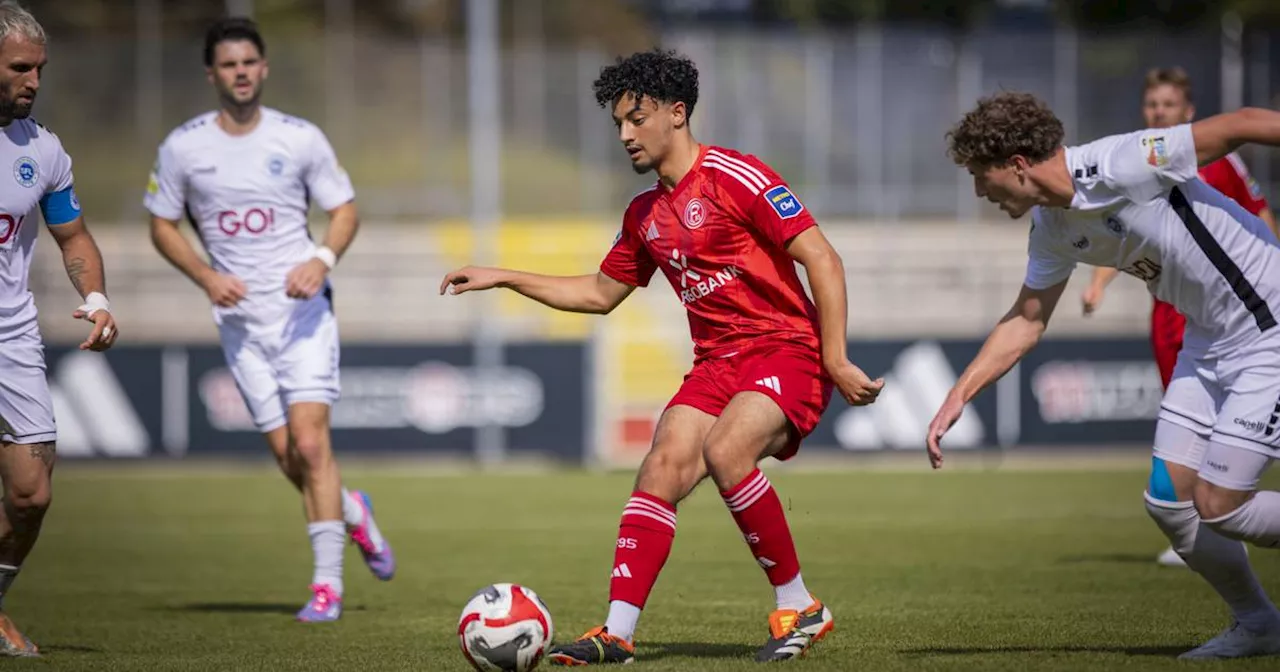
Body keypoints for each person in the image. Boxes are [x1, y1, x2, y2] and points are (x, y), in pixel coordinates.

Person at [440, 49, 883, 664]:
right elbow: (598, 294)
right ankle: (617, 633)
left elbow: (823, 259)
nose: (624, 134)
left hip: (787, 348)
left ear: (677, 114)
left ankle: (801, 607)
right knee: (661, 467)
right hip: (717, 364)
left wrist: (834, 357)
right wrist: (503, 276)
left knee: (725, 450)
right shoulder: (645, 214)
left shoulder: (738, 175)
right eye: (618, 123)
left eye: (636, 119)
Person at [931, 91, 1280, 660]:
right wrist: (959, 394)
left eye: (980, 175)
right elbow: (1026, 319)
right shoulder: (1050, 227)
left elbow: (1238, 124)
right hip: (1207, 342)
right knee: (1171, 504)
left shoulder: (1120, 162)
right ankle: (1260, 625)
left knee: (1220, 504)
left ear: (1017, 165)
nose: (978, 191)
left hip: (1268, 324)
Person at [144, 17, 393, 623]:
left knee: (311, 442)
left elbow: (345, 211)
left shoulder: (299, 138)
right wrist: (206, 276)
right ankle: (353, 512)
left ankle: (326, 587)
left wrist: (322, 258)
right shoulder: (184, 147)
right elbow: (160, 223)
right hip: (240, 325)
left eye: (250, 62)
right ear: (213, 74)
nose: (241, 73)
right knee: (290, 458)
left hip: (303, 313)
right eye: (229, 65)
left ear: (264, 68)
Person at [1081, 67, 1278, 570]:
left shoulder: (1213, 161)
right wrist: (1099, 283)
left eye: (1168, 106)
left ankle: (1217, 506)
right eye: (1152, 106)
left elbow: (1257, 214)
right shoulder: (1137, 164)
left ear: (1187, 111)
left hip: (1240, 307)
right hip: (1175, 314)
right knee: (1181, 434)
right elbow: (1122, 233)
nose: (1159, 113)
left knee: (1226, 462)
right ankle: (1195, 522)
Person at [0, 0, 119, 656]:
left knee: (31, 493)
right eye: (20, 67)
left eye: (40, 68)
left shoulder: (41, 150)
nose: (34, 80)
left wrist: (97, 297)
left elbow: (73, 237)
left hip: (10, 335)